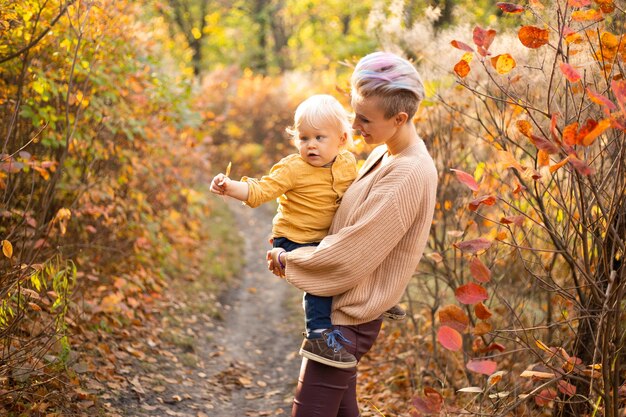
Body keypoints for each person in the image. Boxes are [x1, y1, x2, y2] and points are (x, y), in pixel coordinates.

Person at [267, 51, 438, 416]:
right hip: (340, 312)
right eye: (355, 112)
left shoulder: (407, 173)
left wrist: (288, 258)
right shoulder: (384, 153)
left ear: (399, 118)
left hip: (349, 320)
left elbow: (353, 252)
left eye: (364, 119)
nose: (355, 125)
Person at [211, 94, 389, 369]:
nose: (310, 146)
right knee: (319, 275)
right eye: (304, 138)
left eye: (319, 138)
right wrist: (230, 187)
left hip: (325, 239)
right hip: (294, 238)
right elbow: (261, 190)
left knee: (355, 255)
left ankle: (374, 300)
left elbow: (358, 194)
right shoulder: (293, 168)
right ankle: (317, 335)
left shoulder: (347, 164)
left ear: (341, 140)